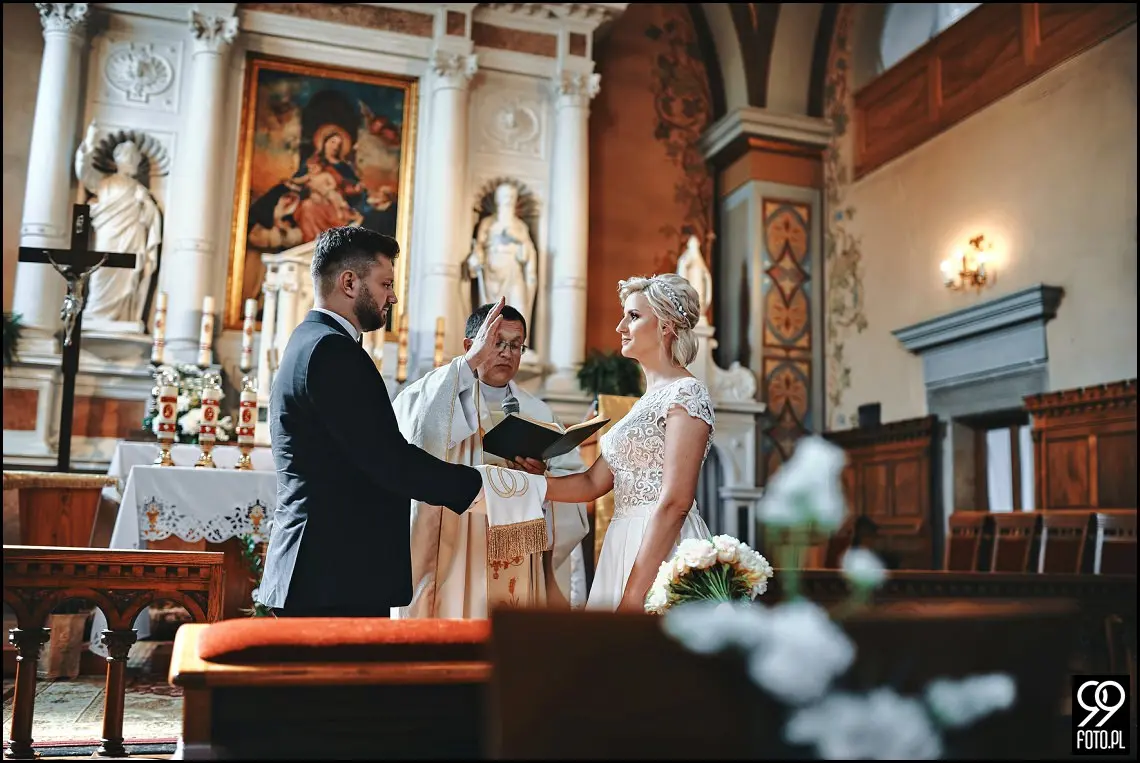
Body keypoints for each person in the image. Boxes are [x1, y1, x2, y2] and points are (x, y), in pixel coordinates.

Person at [256, 226, 489, 617]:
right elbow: (389, 461)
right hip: (332, 576)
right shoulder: (332, 351)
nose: (392, 297)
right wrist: (484, 487)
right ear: (349, 282)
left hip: (323, 573)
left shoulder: (309, 339)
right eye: (386, 283)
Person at [392, 302, 590, 617]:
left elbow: (572, 489)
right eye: (497, 343)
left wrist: (542, 480)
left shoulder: (539, 413)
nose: (507, 353)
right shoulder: (437, 395)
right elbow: (412, 441)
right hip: (459, 546)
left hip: (519, 551)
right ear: (470, 346)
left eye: (516, 345)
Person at [544, 274, 716, 612]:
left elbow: (676, 502)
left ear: (666, 325)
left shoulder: (687, 393)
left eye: (633, 316)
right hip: (621, 542)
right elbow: (592, 483)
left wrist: (634, 595)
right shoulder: (642, 404)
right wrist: (530, 484)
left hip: (663, 548)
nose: (620, 327)